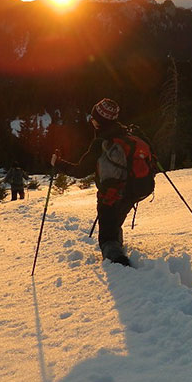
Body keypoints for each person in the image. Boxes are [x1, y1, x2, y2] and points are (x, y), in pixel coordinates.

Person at [51, 98, 139, 266]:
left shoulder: (102, 143)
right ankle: (117, 247)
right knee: (115, 222)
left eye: (93, 118)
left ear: (99, 121)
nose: (91, 121)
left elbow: (80, 171)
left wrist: (58, 163)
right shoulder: (125, 135)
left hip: (110, 195)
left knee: (107, 236)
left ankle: (119, 266)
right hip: (131, 191)